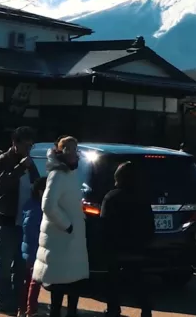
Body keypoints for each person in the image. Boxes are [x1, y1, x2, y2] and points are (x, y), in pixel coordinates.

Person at [33, 136, 89, 317]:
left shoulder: (70, 173)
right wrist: (67, 225)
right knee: (59, 288)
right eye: (67, 149)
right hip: (61, 239)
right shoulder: (57, 174)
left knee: (74, 284)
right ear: (60, 151)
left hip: (72, 241)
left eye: (75, 148)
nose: (73, 153)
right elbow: (48, 205)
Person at [0, 127, 41, 314]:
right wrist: (20, 167)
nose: (29, 148)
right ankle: (2, 302)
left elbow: (37, 186)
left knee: (21, 267)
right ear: (15, 143)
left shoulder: (31, 163)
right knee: (3, 264)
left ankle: (18, 303)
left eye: (31, 145)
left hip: (25, 221)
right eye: (26, 144)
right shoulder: (1, 161)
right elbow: (1, 184)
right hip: (7, 218)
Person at [101, 161, 155, 317]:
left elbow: (105, 224)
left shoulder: (111, 197)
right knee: (139, 280)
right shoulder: (142, 197)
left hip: (116, 248)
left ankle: (113, 309)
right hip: (137, 248)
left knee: (112, 281)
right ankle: (146, 310)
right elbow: (150, 224)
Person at [20, 177, 47, 317]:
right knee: (34, 281)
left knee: (27, 281)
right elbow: (32, 229)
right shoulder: (37, 209)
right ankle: (31, 310)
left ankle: (22, 309)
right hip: (34, 250)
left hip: (28, 249)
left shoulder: (29, 205)